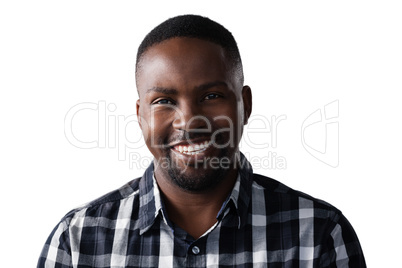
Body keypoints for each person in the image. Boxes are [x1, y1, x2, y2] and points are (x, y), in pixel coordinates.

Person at [38, 14, 366, 267]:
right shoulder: (78, 240)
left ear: (245, 105)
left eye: (211, 95)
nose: (189, 121)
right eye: (164, 101)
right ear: (140, 115)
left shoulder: (320, 234)